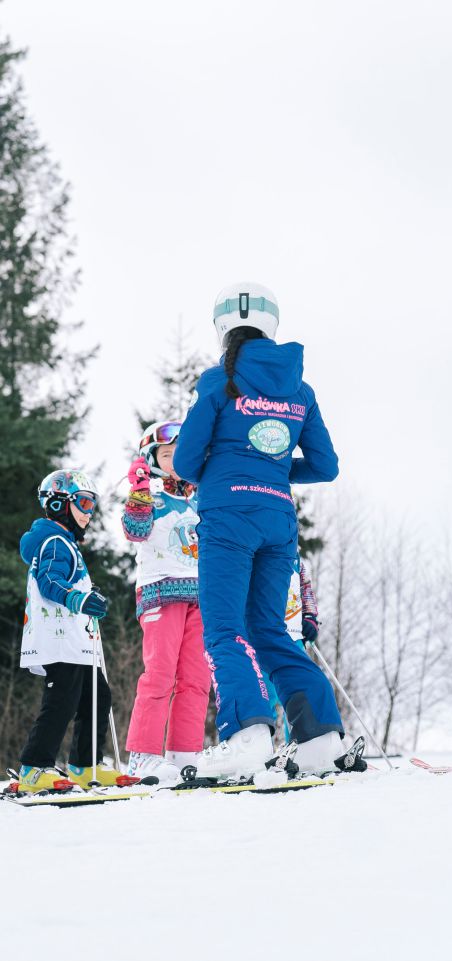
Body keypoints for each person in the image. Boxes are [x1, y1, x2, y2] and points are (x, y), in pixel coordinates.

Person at [173, 282, 347, 779]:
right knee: (270, 629)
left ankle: (247, 736)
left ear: (222, 328)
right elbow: (325, 465)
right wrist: (271, 471)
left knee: (224, 629)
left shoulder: (217, 380)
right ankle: (319, 739)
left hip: (228, 517)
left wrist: (235, 467)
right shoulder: (300, 388)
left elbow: (185, 461)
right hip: (278, 520)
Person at [16, 469, 131, 791]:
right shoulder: (53, 541)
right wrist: (79, 598)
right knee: (62, 699)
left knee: (97, 697)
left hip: (76, 640)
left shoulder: (66, 543)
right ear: (58, 504)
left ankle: (84, 764)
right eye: (82, 502)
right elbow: (49, 582)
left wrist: (88, 596)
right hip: (57, 638)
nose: (89, 512)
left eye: (92, 505)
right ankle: (34, 768)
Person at [122, 421, 210, 783]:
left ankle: (184, 754)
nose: (175, 461)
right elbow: (134, 530)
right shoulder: (151, 494)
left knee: (197, 678)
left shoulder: (203, 496)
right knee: (160, 673)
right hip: (161, 591)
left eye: (180, 454)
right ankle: (143, 756)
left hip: (201, 597)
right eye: (167, 455)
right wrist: (139, 490)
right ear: (153, 459)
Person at [268, 548, 320, 744]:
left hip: (294, 635)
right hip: (264, 635)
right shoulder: (256, 548)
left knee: (299, 692)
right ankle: (259, 747)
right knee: (266, 694)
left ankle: (302, 746)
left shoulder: (294, 555)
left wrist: (310, 616)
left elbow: (305, 587)